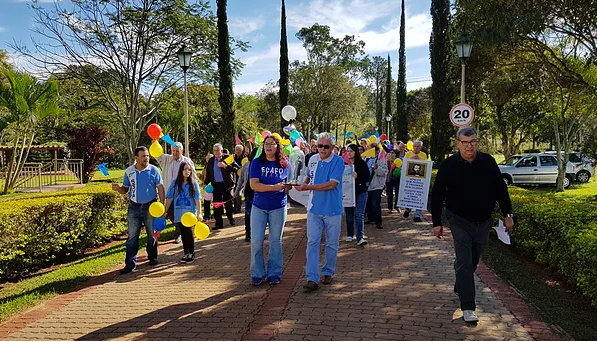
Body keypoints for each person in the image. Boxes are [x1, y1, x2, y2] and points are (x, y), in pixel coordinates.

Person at [431, 127, 514, 323]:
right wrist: (436, 222)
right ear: (457, 143)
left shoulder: (488, 162)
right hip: (458, 220)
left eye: (474, 142)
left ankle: (461, 283)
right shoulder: (448, 165)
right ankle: (468, 306)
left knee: (473, 259)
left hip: (483, 221)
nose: (470, 146)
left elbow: (501, 190)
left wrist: (507, 213)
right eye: (465, 142)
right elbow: (437, 195)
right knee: (464, 261)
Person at [295, 132, 345, 292]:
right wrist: (300, 185)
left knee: (331, 244)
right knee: (312, 242)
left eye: (325, 146)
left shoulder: (338, 162)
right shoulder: (313, 159)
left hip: (333, 210)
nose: (322, 149)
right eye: (319, 146)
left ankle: (328, 272)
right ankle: (312, 278)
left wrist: (308, 187)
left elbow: (331, 185)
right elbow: (309, 177)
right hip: (314, 209)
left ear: (332, 147)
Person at [112, 146, 165, 274]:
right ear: (136, 158)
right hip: (134, 207)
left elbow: (161, 188)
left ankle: (152, 257)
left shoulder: (154, 170)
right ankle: (130, 264)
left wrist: (161, 206)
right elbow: (125, 189)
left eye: (147, 156)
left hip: (150, 207)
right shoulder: (129, 171)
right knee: (132, 236)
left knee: (151, 235)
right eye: (143, 156)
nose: (146, 158)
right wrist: (118, 189)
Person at [249, 135, 290, 286]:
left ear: (277, 146)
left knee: (275, 242)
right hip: (259, 207)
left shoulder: (285, 164)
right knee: (256, 241)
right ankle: (257, 274)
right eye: (266, 144)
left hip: (278, 207)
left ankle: (274, 274)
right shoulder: (256, 163)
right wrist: (274, 188)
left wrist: (288, 187)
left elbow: (288, 184)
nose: (268, 147)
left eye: (272, 144)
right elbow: (254, 185)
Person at [156, 142, 196, 244]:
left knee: (182, 213)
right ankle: (179, 230)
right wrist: (155, 141)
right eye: (173, 151)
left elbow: (193, 176)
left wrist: (193, 189)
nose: (175, 153)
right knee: (170, 212)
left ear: (182, 151)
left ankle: (179, 234)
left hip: (183, 192)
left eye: (177, 151)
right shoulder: (166, 159)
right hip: (170, 191)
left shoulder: (187, 161)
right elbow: (156, 155)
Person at [163, 162, 202, 263]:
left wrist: (199, 213)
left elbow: (197, 199)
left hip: (189, 214)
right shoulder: (175, 183)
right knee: (183, 233)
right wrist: (165, 210)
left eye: (189, 170)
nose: (187, 171)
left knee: (188, 233)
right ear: (181, 171)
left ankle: (191, 253)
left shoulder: (194, 183)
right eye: (185, 169)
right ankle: (186, 252)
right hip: (179, 212)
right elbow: (170, 198)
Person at [204, 143, 238, 230]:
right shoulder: (211, 160)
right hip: (216, 185)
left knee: (228, 204)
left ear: (222, 151)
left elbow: (236, 169)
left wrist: (225, 166)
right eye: (214, 150)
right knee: (217, 205)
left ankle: (230, 218)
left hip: (227, 185)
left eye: (217, 150)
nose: (216, 152)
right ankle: (219, 223)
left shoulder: (228, 157)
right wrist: (205, 183)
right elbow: (209, 173)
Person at [344, 144, 370, 245]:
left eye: (351, 151)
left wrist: (358, 177)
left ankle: (360, 237)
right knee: (349, 215)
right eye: (348, 151)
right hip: (348, 193)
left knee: (359, 214)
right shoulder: (344, 164)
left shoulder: (362, 164)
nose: (349, 153)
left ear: (355, 152)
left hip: (361, 192)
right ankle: (350, 234)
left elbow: (367, 178)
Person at [234, 148, 257, 242]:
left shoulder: (249, 165)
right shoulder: (247, 165)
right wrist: (236, 192)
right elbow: (241, 180)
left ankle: (251, 234)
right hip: (251, 192)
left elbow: (240, 180)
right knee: (250, 213)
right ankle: (249, 233)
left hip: (256, 192)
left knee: (252, 214)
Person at [366, 143, 388, 229]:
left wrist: (377, 168)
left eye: (369, 148)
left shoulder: (381, 160)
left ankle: (378, 221)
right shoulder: (367, 159)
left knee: (376, 204)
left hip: (377, 185)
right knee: (368, 203)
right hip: (368, 185)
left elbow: (384, 172)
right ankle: (370, 218)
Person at [403, 140, 427, 222]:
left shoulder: (423, 155)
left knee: (420, 197)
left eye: (418, 146)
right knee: (410, 196)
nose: (416, 148)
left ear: (421, 147)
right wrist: (411, 159)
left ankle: (417, 215)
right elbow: (404, 165)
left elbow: (426, 166)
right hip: (410, 180)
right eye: (414, 146)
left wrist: (420, 160)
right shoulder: (408, 154)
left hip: (420, 181)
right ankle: (407, 210)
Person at [199, 153, 213, 222]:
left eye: (208, 158)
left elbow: (210, 176)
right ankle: (207, 215)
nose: (207, 159)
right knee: (206, 201)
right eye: (206, 158)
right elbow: (203, 177)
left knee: (208, 201)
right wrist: (199, 176)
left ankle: (208, 215)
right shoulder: (206, 166)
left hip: (209, 186)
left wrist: (206, 184)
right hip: (205, 185)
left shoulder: (211, 166)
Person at [233, 144, 245, 214]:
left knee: (238, 193)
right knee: (235, 192)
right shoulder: (233, 158)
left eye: (239, 150)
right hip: (234, 177)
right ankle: (235, 207)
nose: (238, 151)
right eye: (237, 150)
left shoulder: (244, 158)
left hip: (242, 177)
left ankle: (238, 208)